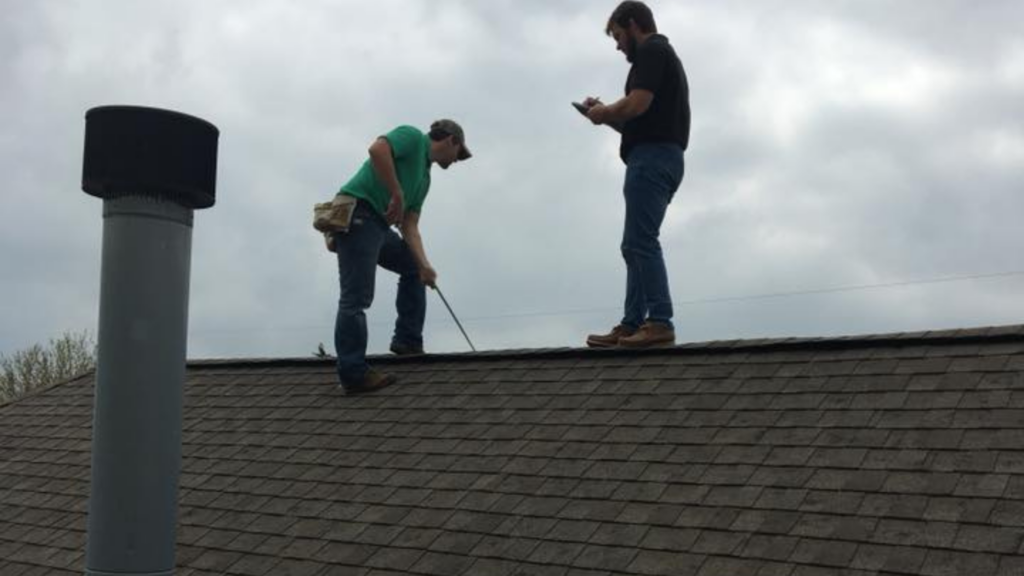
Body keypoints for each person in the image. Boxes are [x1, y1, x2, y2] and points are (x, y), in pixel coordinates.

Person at [332, 120, 471, 394]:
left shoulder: (424, 179)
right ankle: (353, 373)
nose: (457, 161)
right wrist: (396, 191)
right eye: (459, 153)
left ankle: (407, 341)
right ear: (451, 140)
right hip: (359, 212)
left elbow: (410, 226)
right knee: (356, 296)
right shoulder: (412, 137)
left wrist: (425, 266)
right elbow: (377, 150)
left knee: (412, 269)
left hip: (379, 225)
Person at [583, 0, 690, 349]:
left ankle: (659, 322)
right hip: (658, 154)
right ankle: (631, 325)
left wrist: (607, 111)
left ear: (632, 24)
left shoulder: (652, 51)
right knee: (633, 244)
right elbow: (639, 122)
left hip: (653, 158)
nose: (617, 45)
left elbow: (636, 104)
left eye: (617, 35)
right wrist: (603, 115)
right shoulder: (661, 56)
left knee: (640, 242)